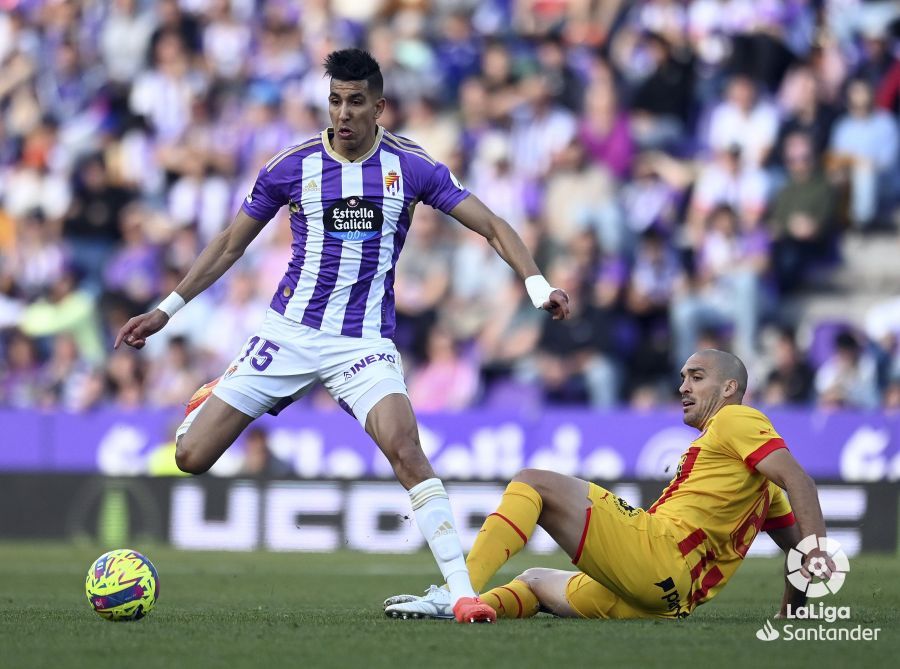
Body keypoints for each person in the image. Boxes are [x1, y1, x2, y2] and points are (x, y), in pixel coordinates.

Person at [113, 48, 570, 625]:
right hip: (290, 332)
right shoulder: (291, 166)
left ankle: (461, 594)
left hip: (363, 343)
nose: (343, 113)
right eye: (335, 101)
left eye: (356, 102)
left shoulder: (412, 166)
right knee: (190, 457)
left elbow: (493, 226)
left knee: (407, 450)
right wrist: (166, 310)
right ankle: (224, 387)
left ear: (379, 106)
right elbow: (231, 244)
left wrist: (537, 286)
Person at [384, 349, 830, 621]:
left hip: (658, 554)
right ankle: (469, 611)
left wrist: (819, 552)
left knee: (532, 482)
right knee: (535, 580)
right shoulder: (756, 487)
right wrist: (794, 613)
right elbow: (793, 543)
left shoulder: (736, 418)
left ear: (730, 387)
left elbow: (800, 481)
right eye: (682, 377)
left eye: (696, 377)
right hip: (666, 601)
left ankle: (458, 592)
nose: (683, 387)